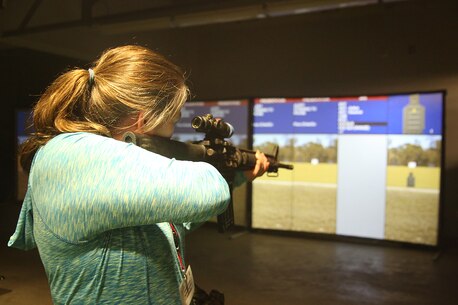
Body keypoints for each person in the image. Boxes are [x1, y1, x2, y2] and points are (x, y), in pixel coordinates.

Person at [8, 45, 269, 305]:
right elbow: (207, 193)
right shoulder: (71, 154)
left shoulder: (117, 173)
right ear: (143, 121)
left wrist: (237, 176)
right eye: (173, 120)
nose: (173, 132)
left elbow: (173, 220)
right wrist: (217, 167)